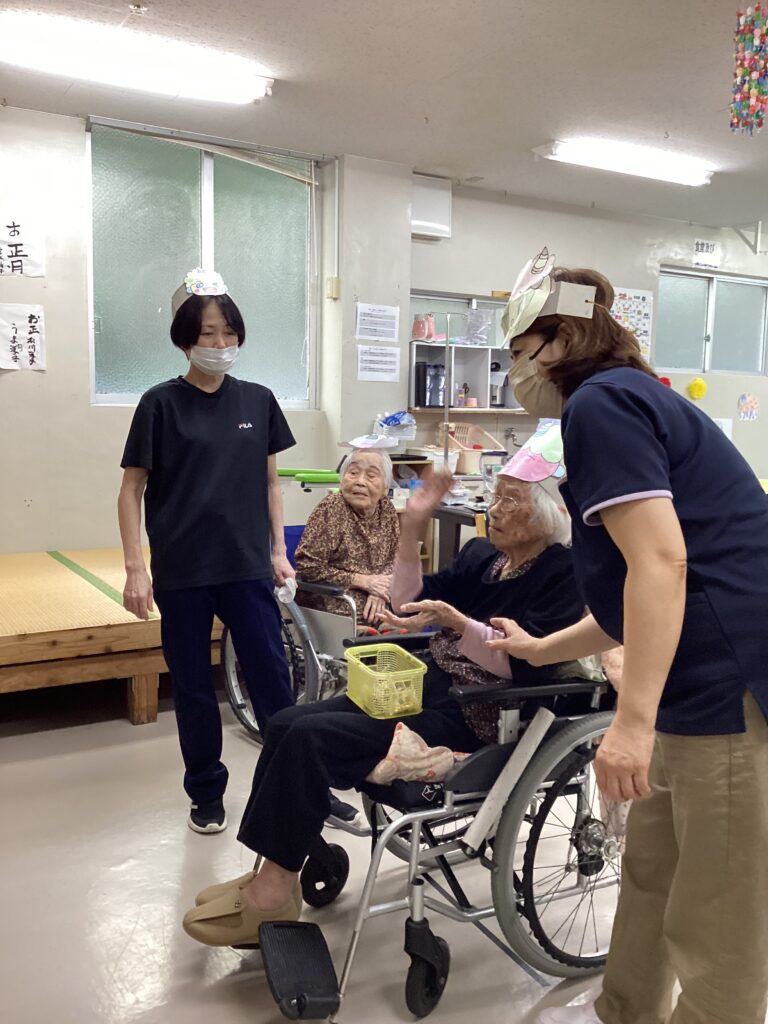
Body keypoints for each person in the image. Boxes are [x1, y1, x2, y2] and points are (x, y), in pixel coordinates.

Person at [488, 251, 768, 1024]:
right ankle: (626, 1010)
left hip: (727, 683)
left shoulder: (602, 404)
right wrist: (541, 648)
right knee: (650, 875)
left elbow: (663, 563)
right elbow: (630, 596)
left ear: (559, 342)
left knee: (717, 915)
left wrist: (632, 722)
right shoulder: (627, 400)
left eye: (519, 351)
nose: (516, 371)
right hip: (688, 678)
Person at [181, 466, 584, 946]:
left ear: (548, 516)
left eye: (510, 501)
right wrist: (412, 527)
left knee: (310, 739)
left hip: (483, 712)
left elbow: (529, 662)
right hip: (431, 683)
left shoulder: (565, 573)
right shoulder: (484, 556)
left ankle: (272, 892)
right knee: (286, 722)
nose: (494, 510)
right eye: (495, 497)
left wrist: (461, 625)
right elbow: (409, 597)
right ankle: (275, 868)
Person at [118, 268, 296, 835]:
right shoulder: (159, 404)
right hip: (183, 570)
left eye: (229, 333)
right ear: (184, 340)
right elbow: (131, 490)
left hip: (246, 566)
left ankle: (296, 785)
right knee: (194, 687)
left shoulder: (259, 400)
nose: (220, 344)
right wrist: (135, 568)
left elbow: (271, 484)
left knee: (273, 679)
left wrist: (278, 551)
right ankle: (206, 792)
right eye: (208, 333)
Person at [294, 448, 399, 625]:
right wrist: (363, 581)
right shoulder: (331, 509)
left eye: (371, 475)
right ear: (342, 479)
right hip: (338, 607)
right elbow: (308, 567)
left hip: (380, 607)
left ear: (385, 487)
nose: (360, 482)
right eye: (353, 473)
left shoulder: (387, 509)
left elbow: (394, 559)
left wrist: (380, 589)